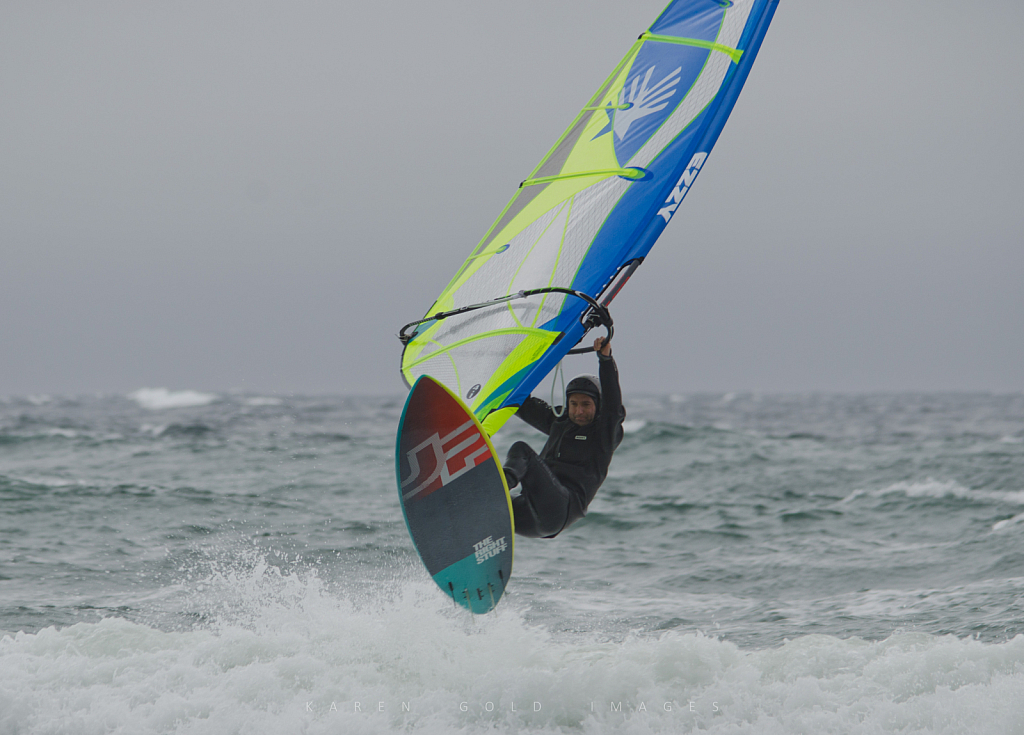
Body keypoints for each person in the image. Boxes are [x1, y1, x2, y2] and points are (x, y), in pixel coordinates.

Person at [503, 337, 625, 538]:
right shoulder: (559, 422)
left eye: (586, 404)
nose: (578, 411)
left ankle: (501, 486)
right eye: (574, 404)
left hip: (560, 509)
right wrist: (512, 361)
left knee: (521, 450)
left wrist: (605, 360)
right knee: (494, 507)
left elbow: (613, 407)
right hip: (530, 515)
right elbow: (520, 402)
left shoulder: (604, 435)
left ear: (598, 406)